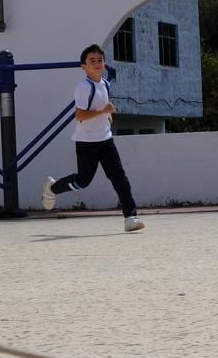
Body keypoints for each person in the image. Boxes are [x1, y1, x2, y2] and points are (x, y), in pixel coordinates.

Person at [40, 45, 145, 232]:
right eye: (92, 61)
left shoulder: (105, 84)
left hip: (106, 140)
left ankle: (131, 217)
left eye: (99, 60)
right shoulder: (83, 88)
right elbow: (79, 115)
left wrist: (108, 116)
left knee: (119, 176)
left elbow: (103, 106)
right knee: (82, 181)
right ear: (84, 67)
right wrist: (103, 111)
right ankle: (52, 188)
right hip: (86, 143)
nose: (97, 64)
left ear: (104, 64)